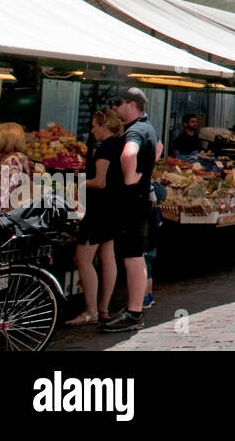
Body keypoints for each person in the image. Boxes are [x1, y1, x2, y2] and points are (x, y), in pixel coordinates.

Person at [101, 88, 161, 333]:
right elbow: (159, 146)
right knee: (134, 256)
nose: (114, 107)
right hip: (139, 201)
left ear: (132, 105)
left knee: (133, 257)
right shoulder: (148, 127)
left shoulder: (135, 130)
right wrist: (147, 168)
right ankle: (135, 309)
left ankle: (134, 312)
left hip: (132, 203)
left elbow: (130, 153)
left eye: (118, 102)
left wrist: (129, 177)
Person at [65, 111, 125, 326]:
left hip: (99, 211)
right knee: (107, 256)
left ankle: (91, 311)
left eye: (94, 126)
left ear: (104, 125)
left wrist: (76, 182)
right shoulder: (119, 146)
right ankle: (104, 308)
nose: (91, 130)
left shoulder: (106, 149)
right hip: (112, 209)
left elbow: (99, 182)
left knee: (82, 258)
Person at [0, 122, 31, 236]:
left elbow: (4, 196)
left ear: (6, 140)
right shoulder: (11, 156)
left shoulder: (12, 161)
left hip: (3, 221)